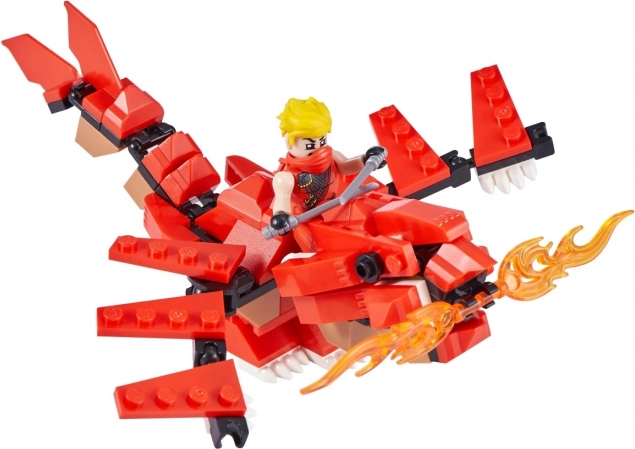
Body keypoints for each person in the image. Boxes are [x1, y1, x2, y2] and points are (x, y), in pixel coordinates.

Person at [271, 97, 385, 246]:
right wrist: (281, 218)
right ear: (289, 142)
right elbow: (282, 202)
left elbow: (347, 166)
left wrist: (366, 160)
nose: (319, 149)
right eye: (310, 145)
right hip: (305, 219)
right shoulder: (285, 178)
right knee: (316, 244)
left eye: (322, 141)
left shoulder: (333, 157)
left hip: (336, 206)